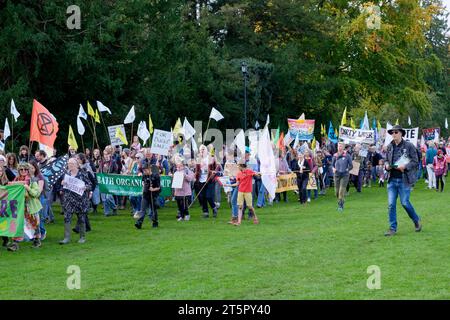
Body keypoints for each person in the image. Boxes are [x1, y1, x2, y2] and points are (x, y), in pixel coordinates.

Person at [384, 125, 422, 236]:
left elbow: (415, 161)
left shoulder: (409, 146)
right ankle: (392, 228)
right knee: (391, 205)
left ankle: (416, 220)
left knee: (405, 203)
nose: (393, 134)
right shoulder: (390, 146)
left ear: (401, 133)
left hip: (404, 179)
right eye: (392, 133)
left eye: (395, 132)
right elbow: (386, 160)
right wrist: (386, 165)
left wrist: (405, 167)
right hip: (392, 179)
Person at [7, 163, 43, 251]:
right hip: (19, 207)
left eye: (25, 169)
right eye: (21, 169)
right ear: (18, 171)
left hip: (30, 207)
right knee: (17, 224)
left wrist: (28, 188)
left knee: (34, 224)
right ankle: (15, 244)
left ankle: (37, 241)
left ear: (28, 170)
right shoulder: (15, 180)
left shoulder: (32, 181)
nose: (23, 171)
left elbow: (36, 193)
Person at [59, 158, 93, 244]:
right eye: (69, 164)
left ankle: (82, 237)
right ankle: (66, 238)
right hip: (68, 200)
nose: (70, 165)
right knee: (67, 218)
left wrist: (85, 187)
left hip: (80, 200)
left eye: (72, 164)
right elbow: (63, 186)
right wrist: (62, 184)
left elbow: (90, 184)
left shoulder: (82, 174)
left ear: (76, 165)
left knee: (81, 218)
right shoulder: (66, 174)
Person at [135, 163, 160, 229]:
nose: (144, 172)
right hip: (145, 195)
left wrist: (153, 189)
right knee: (142, 210)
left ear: (149, 169)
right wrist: (143, 188)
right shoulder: (144, 176)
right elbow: (143, 183)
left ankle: (155, 222)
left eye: (145, 170)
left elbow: (159, 187)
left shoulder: (156, 176)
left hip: (153, 195)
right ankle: (139, 223)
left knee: (153, 210)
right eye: (143, 171)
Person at [332, 142, 353, 212]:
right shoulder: (335, 155)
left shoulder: (347, 155)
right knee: (336, 192)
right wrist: (333, 168)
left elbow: (351, 166)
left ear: (343, 147)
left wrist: (347, 169)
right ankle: (342, 200)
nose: (339, 147)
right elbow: (332, 165)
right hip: (337, 175)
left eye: (341, 146)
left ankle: (340, 205)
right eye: (338, 146)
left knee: (341, 191)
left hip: (345, 175)